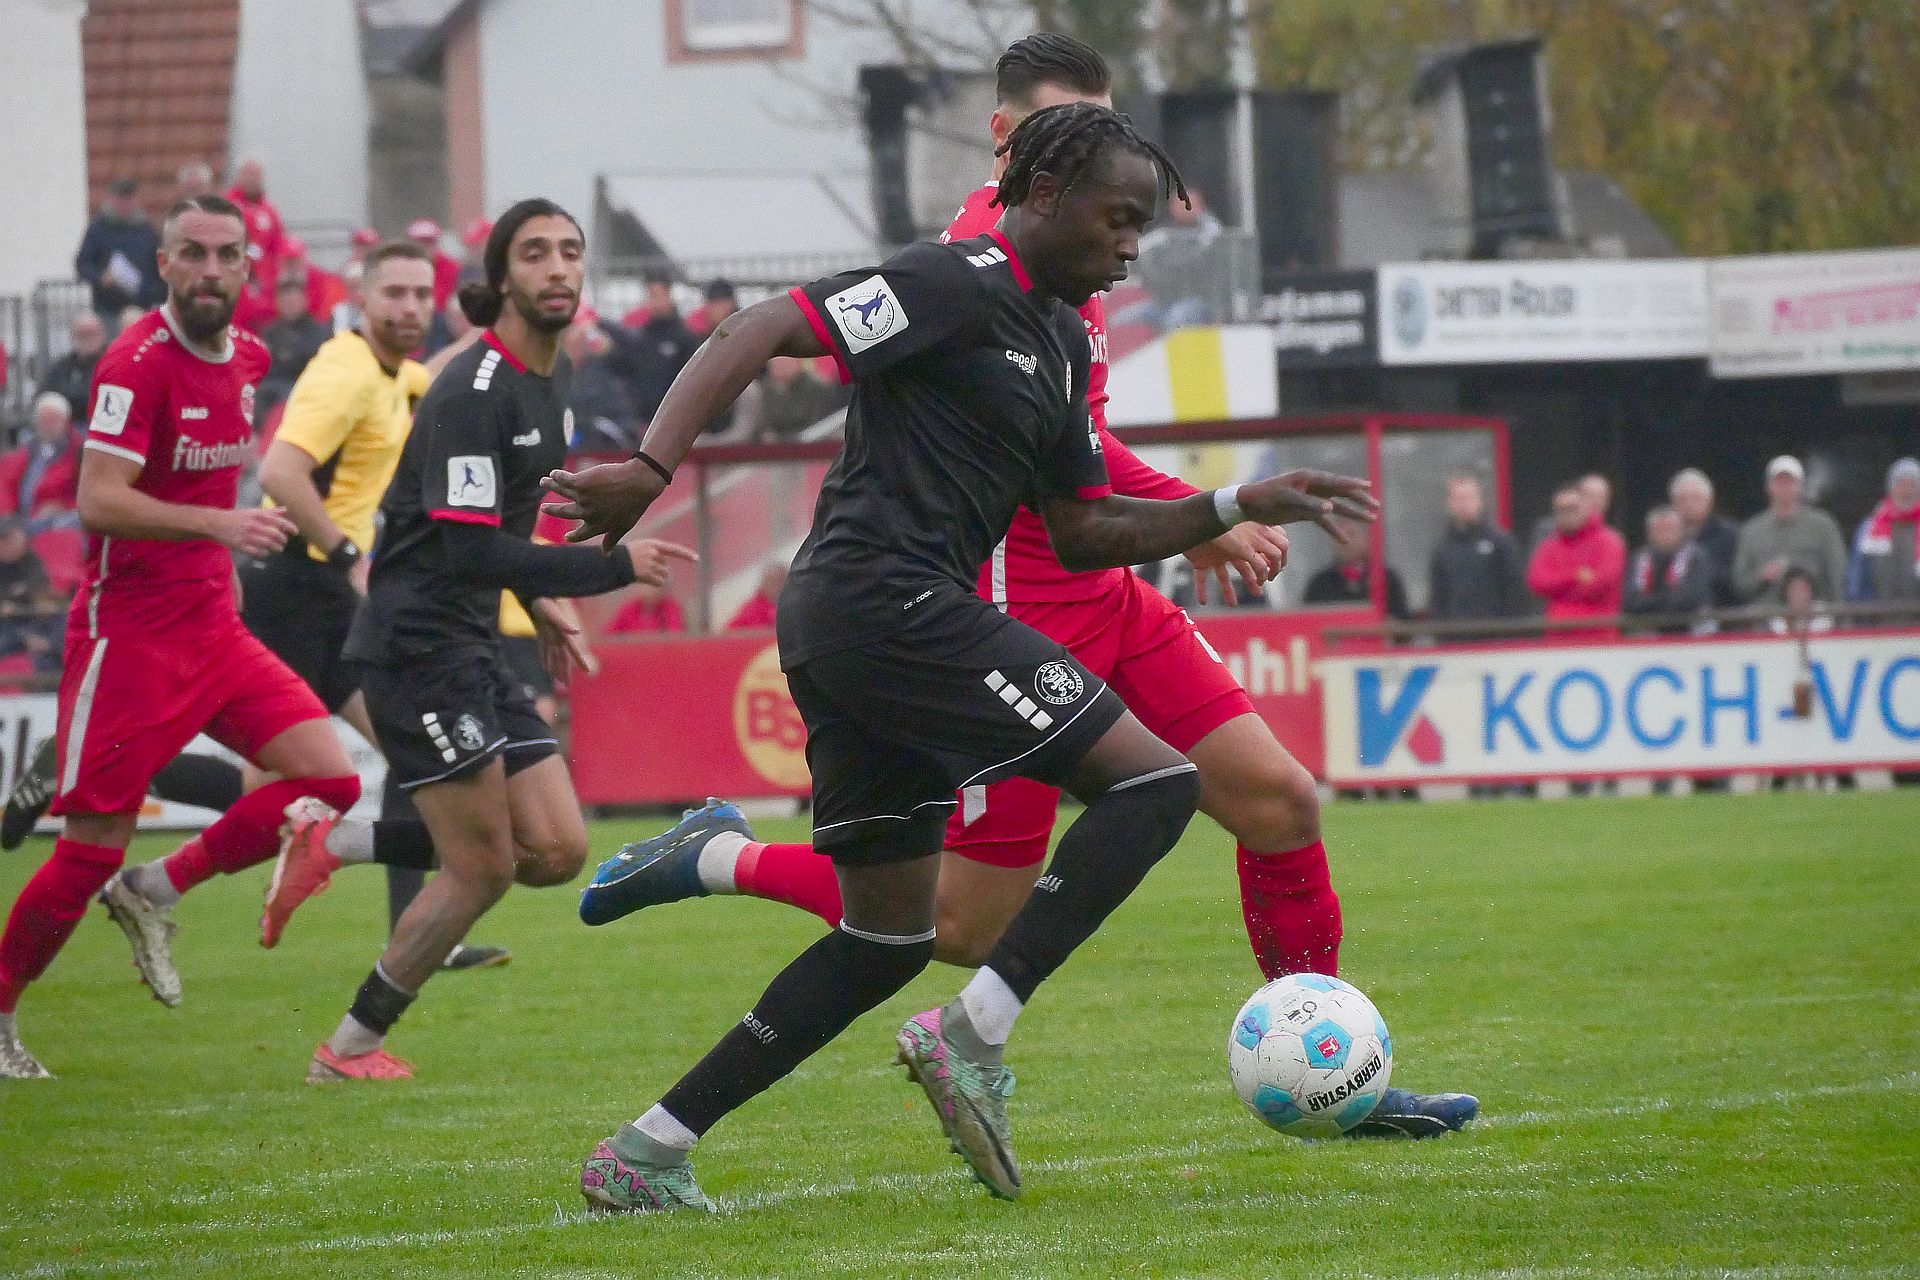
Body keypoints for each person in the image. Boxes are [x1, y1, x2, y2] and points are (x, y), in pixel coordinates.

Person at [581, 33, 1472, 1157]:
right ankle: (826, 930)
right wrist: (649, 466)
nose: (1131, 246)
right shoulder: (960, 269)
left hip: (1046, 594)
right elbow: (766, 327)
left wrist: (1227, 503)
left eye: (1140, 217)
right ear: (1028, 162)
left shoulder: (1063, 310)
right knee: (976, 915)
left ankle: (651, 1146)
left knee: (1259, 809)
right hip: (957, 607)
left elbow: (1084, 507)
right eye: (1117, 214)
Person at [257, 199, 691, 1082]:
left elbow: (507, 528)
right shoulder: (471, 391)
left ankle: (334, 843)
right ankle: (348, 1048)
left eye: (570, 251)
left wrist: (540, 601)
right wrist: (611, 568)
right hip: (415, 649)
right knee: (483, 867)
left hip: (470, 644)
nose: (558, 267)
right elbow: (468, 549)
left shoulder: (550, 384)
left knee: (558, 850)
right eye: (535, 253)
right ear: (500, 280)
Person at [0, 195, 365, 1080]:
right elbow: (98, 499)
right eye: (192, 254)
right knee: (87, 850)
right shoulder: (134, 364)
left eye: (226, 254)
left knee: (331, 780)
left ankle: (154, 888)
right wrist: (221, 528)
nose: (210, 270)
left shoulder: (246, 356)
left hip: (213, 627)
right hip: (128, 637)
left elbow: (204, 484)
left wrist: (222, 559)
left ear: (247, 267)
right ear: (163, 264)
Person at [1111, 185, 1230, 334]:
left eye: (1188, 204)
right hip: (1164, 302)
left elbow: (1195, 264)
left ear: (1200, 206)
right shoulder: (1164, 231)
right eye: (1178, 205)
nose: (1183, 209)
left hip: (1199, 300)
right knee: (1120, 320)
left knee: (1175, 318)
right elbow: (1144, 252)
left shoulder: (1209, 234)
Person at [1733, 456, 1847, 606]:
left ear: (1800, 486)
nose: (1784, 488)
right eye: (1778, 482)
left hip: (1815, 612)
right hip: (1765, 614)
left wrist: (1839, 613)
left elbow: (1838, 575)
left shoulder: (1824, 526)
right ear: (1768, 487)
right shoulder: (1751, 530)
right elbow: (1740, 583)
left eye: (1789, 482)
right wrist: (1762, 576)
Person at [1428, 472, 1528, 633]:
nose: (1463, 504)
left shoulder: (1501, 543)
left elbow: (1515, 591)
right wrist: (1442, 633)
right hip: (1455, 637)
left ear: (1479, 501)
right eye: (1458, 499)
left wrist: (1508, 633)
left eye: (1468, 498)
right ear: (1449, 504)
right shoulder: (1442, 549)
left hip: (1496, 637)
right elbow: (1437, 597)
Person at [1527, 482, 1625, 635]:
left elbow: (1603, 583)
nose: (1566, 514)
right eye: (1560, 510)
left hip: (1599, 635)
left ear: (1587, 507)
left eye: (1572, 508)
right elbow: (1537, 582)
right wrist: (1575, 576)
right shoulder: (1549, 545)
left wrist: (1559, 593)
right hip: (1558, 636)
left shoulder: (1609, 541)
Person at [605, 271, 698, 424]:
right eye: (651, 296)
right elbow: (629, 368)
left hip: (676, 418)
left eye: (659, 295)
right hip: (645, 420)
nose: (655, 302)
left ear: (669, 295)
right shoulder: (643, 337)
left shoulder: (684, 338)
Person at [74, 178, 164, 322]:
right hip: (107, 310)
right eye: (120, 199)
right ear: (111, 199)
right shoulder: (98, 229)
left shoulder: (147, 231)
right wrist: (100, 278)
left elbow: (159, 269)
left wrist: (151, 292)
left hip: (141, 308)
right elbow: (82, 264)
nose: (124, 204)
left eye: (129, 199)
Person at [1622, 505, 1712, 633]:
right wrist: (1668, 599)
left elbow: (1691, 599)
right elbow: (1630, 602)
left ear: (1681, 531)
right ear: (1648, 534)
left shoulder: (1697, 557)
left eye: (1669, 529)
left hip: (1690, 628)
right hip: (1647, 628)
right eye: (1658, 530)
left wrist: (1652, 603)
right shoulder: (1639, 558)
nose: (1664, 535)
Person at [0, 395, 83, 532]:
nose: (48, 426)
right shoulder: (25, 450)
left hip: (58, 523)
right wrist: (7, 515)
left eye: (53, 420)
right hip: (19, 520)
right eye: (44, 420)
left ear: (65, 422)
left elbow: (86, 496)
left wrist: (65, 507)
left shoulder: (77, 453)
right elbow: (5, 485)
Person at [1846, 457, 1920, 605]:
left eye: (1912, 485)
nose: (1907, 491)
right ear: (1891, 489)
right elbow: (1857, 579)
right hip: (1879, 615)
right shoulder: (1869, 528)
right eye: (1901, 484)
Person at [1303, 519, 1411, 619]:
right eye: (1337, 536)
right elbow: (1307, 620)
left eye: (1351, 534)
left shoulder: (1387, 579)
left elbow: (1402, 622)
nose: (1343, 541)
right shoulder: (1320, 582)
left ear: (1367, 540)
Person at [225, 161, 287, 333]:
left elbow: (277, 248)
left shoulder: (270, 212)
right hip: (236, 282)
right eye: (247, 174)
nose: (251, 179)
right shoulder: (226, 207)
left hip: (264, 287)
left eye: (255, 175)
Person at [1669, 467, 1741, 608]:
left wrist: (1701, 570)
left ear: (1709, 501)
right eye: (1682, 500)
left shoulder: (1729, 534)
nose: (1689, 505)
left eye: (1695, 498)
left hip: (1722, 610)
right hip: (1675, 614)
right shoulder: (1666, 536)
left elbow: (1737, 581)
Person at [0, 516, 62, 672]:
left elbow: (40, 592)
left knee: (60, 620)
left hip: (30, 617)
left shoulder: (30, 559)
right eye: (4, 541)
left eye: (11, 539)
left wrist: (41, 602)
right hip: (8, 625)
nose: (9, 546)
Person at [260, 277, 330, 408]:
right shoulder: (269, 332)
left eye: (293, 299)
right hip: (269, 389)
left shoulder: (318, 332)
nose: (289, 303)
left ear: (304, 300)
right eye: (285, 299)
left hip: (302, 388)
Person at [41, 311, 108, 417]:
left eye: (91, 334)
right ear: (73, 337)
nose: (88, 339)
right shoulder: (62, 367)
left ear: (102, 335)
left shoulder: (112, 363)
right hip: (68, 422)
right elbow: (46, 394)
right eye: (82, 335)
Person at [407, 218, 463, 314]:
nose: (424, 247)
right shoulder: (404, 267)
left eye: (429, 242)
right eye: (420, 243)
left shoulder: (451, 266)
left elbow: (443, 299)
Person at [603, 579, 686, 634]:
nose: (648, 589)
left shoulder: (670, 608)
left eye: (653, 585)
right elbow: (608, 635)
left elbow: (675, 636)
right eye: (644, 585)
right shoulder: (629, 608)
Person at [726, 561, 785, 629]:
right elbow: (730, 632)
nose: (777, 586)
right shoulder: (751, 610)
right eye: (772, 582)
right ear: (763, 584)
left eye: (781, 581)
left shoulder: (790, 608)